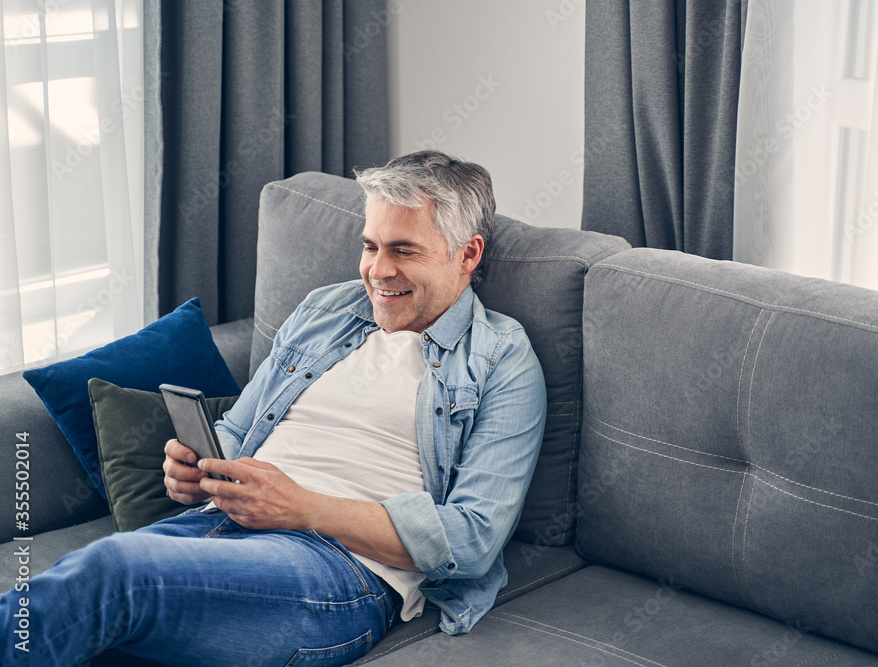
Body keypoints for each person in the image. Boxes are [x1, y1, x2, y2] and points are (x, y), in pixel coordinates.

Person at [1, 150, 547, 666]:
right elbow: (237, 430)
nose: (377, 270)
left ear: (468, 254)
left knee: (110, 573)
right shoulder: (326, 311)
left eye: (403, 250)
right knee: (53, 612)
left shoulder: (501, 359)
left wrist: (303, 507)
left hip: (338, 572)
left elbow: (472, 539)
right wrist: (201, 470)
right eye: (370, 246)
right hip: (219, 527)